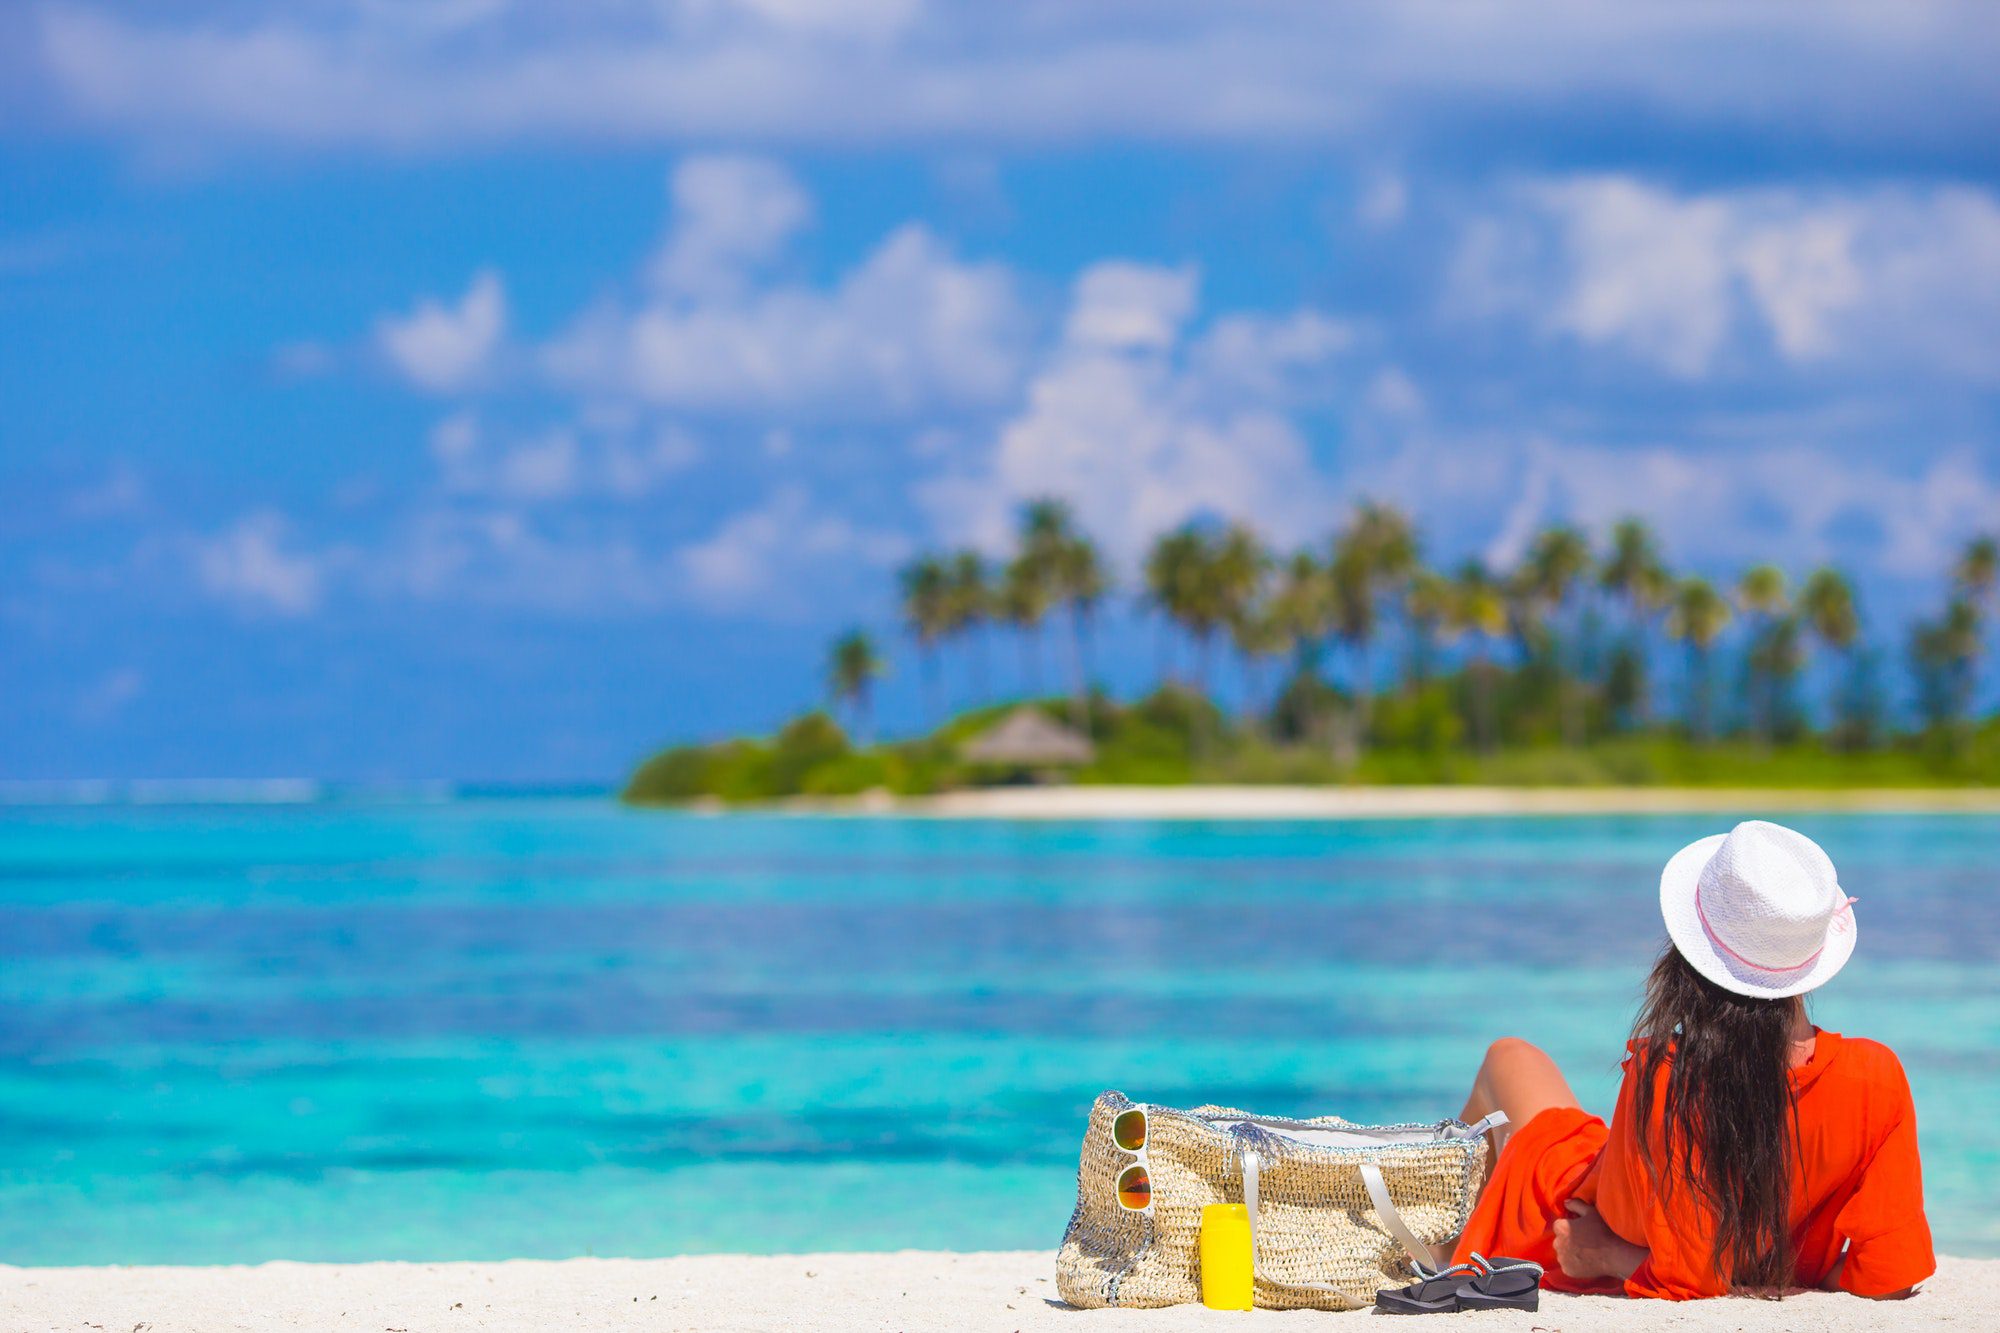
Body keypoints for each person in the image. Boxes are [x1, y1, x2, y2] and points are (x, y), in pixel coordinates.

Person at [1451, 820, 1933, 1300]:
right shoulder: (1876, 1076)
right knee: (1516, 1063)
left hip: (1568, 1218)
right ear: (1808, 965)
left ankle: (1442, 1244)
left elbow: (1694, 1275)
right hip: (1634, 1197)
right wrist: (1795, 1270)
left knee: (1506, 1055)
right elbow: (1889, 1272)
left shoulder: (1673, 1076)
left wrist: (1601, 1256)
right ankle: (1447, 1239)